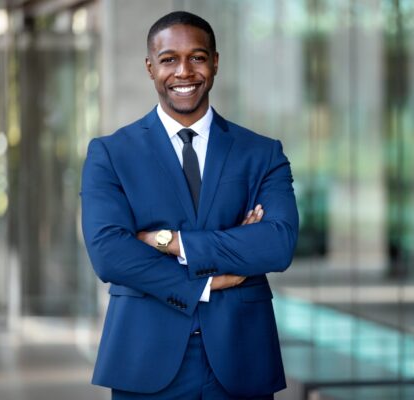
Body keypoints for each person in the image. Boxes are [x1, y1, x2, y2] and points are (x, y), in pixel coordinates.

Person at [80, 10, 299, 400]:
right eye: (169, 60)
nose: (184, 72)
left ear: (214, 63)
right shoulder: (111, 154)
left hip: (242, 357)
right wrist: (205, 282)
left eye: (197, 57)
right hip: (145, 359)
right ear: (150, 67)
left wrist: (170, 242)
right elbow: (110, 254)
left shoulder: (262, 153)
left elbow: (277, 244)